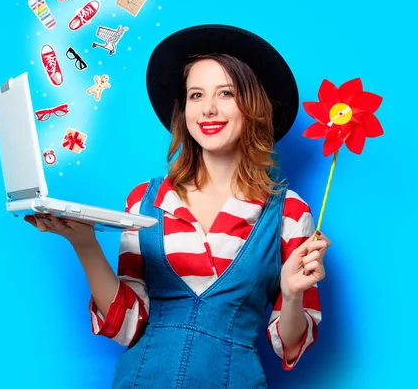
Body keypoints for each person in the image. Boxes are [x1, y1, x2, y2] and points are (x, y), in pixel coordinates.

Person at [24, 24, 330, 388]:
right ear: (183, 109)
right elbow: (126, 326)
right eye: (196, 95)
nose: (209, 109)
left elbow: (291, 344)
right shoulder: (145, 200)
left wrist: (292, 293)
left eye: (226, 94)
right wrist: (85, 244)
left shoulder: (290, 214)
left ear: (254, 106)